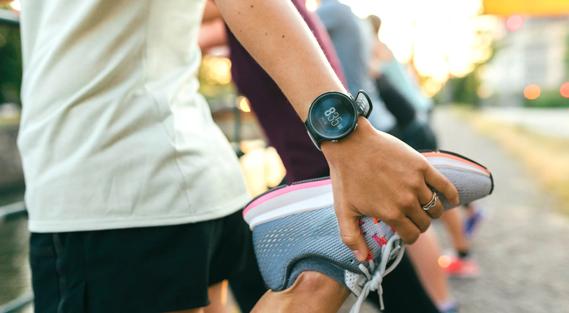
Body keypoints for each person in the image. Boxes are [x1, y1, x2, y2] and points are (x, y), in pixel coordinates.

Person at [20, 1, 458, 312]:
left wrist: (347, 136)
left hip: (107, 185)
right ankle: (317, 283)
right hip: (185, 176)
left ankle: (318, 283)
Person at [199, 1, 448, 312]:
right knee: (400, 293)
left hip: (324, 171)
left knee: (246, 265)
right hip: (312, 172)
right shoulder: (254, 20)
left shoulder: (271, 12)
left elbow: (196, 15)